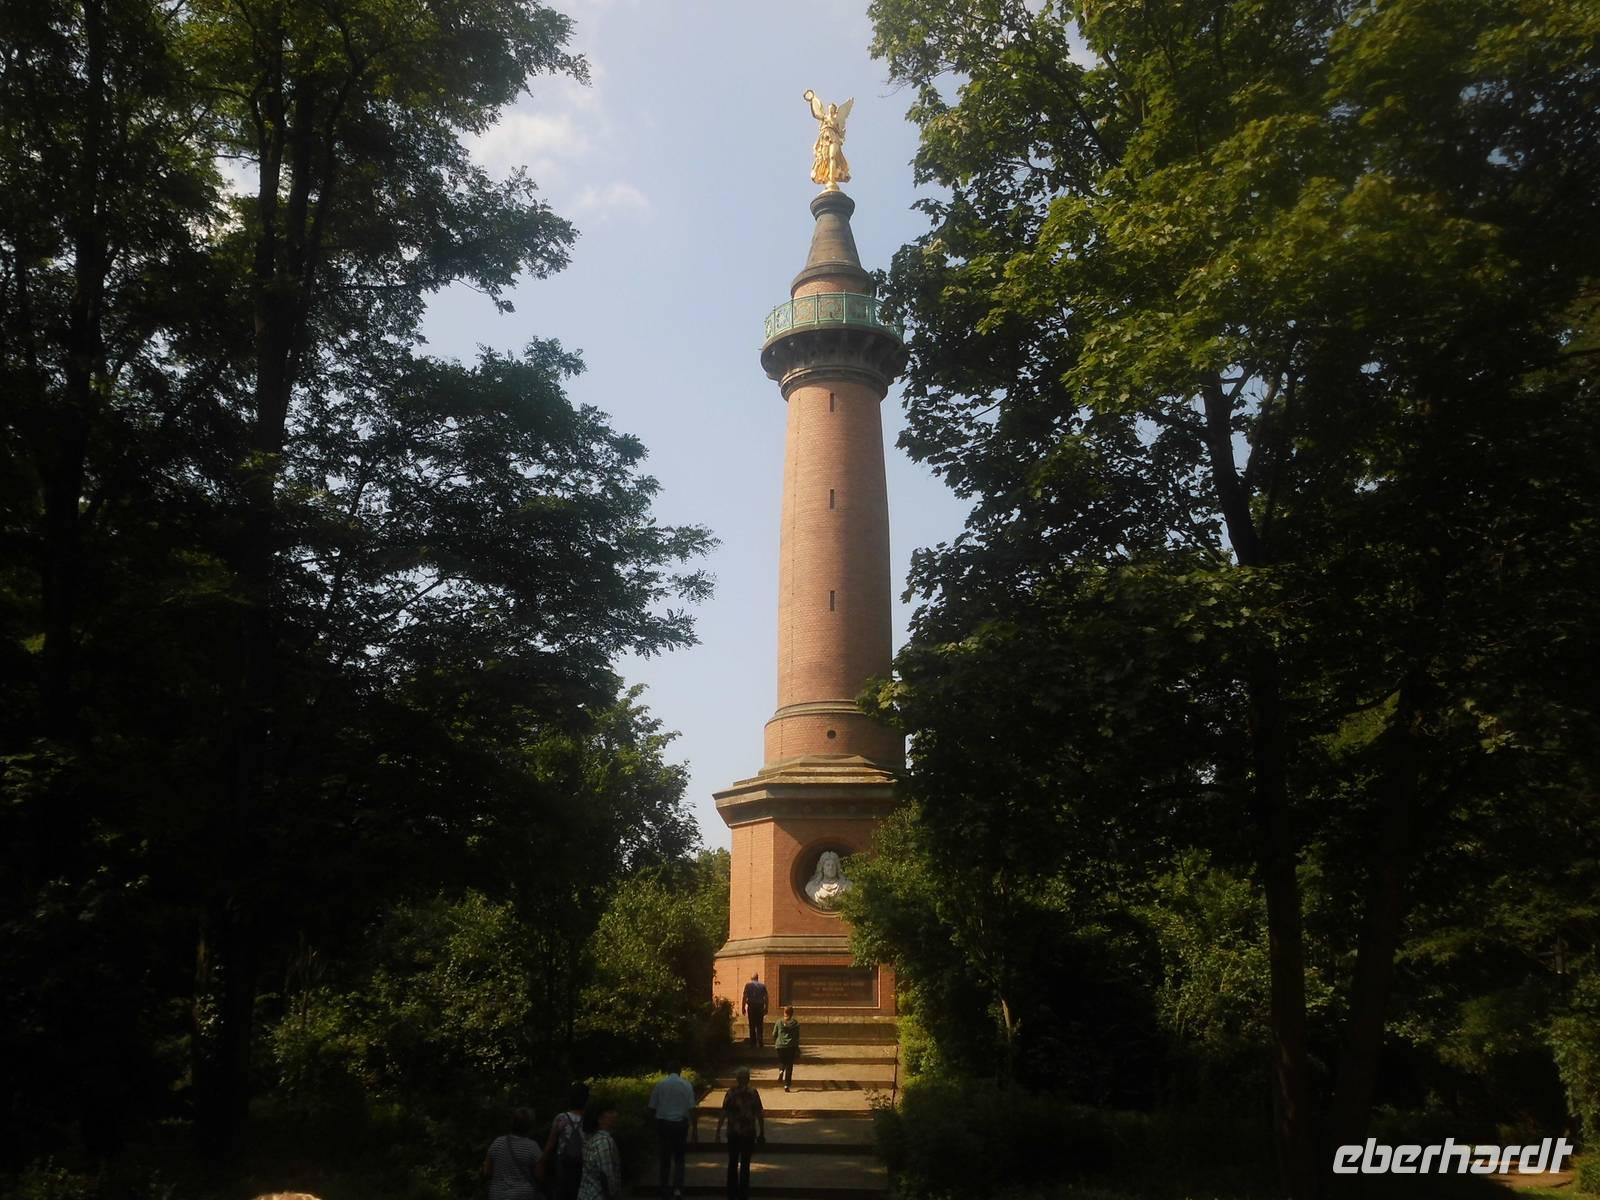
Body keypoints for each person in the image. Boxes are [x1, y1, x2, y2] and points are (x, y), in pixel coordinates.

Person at [648, 1062, 696, 1200]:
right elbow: (691, 1108)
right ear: (680, 1071)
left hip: (663, 1124)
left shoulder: (660, 1085)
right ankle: (677, 1189)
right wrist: (694, 1130)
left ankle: (664, 1188)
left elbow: (652, 1106)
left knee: (665, 1158)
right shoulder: (686, 1085)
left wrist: (652, 1125)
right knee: (679, 1158)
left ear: (668, 1071)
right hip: (680, 1124)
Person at [715, 1066, 765, 1200]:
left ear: (737, 1079)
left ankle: (731, 1193)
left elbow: (724, 1113)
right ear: (748, 1079)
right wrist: (762, 1132)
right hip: (748, 1133)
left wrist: (718, 1131)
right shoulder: (753, 1093)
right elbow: (759, 1114)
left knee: (732, 1162)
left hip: (733, 1132)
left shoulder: (731, 1093)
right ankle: (743, 1193)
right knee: (745, 1163)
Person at [482, 1107, 544, 1200]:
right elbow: (539, 1175)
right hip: (522, 1195)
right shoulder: (532, 1147)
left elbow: (487, 1171)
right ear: (529, 1126)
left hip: (498, 1195)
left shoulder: (497, 1142)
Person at [544, 1082, 590, 1200]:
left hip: (563, 1164)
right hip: (583, 1165)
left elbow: (550, 1144)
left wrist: (542, 1162)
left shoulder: (561, 1118)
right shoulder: (589, 1120)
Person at [577, 1100, 622, 1200]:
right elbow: (607, 1176)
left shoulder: (589, 1137)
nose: (616, 1114)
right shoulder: (604, 1141)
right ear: (599, 1118)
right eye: (610, 1112)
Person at [772, 1006, 801, 1092]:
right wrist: (797, 1047)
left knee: (781, 1061)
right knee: (789, 1065)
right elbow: (797, 1036)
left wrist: (776, 1041)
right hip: (791, 1046)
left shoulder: (779, 1022)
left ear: (784, 1012)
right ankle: (786, 1085)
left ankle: (781, 1071)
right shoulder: (795, 1023)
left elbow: (774, 1034)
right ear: (792, 1013)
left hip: (780, 1045)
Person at [740, 973, 769, 1047]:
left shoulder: (748, 985)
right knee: (759, 1025)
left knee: (752, 1024)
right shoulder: (762, 986)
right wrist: (766, 1007)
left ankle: (753, 1042)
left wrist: (743, 1007)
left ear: (751, 978)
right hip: (760, 1006)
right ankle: (760, 1041)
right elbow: (766, 997)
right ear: (757, 978)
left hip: (751, 1006)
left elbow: (744, 997)